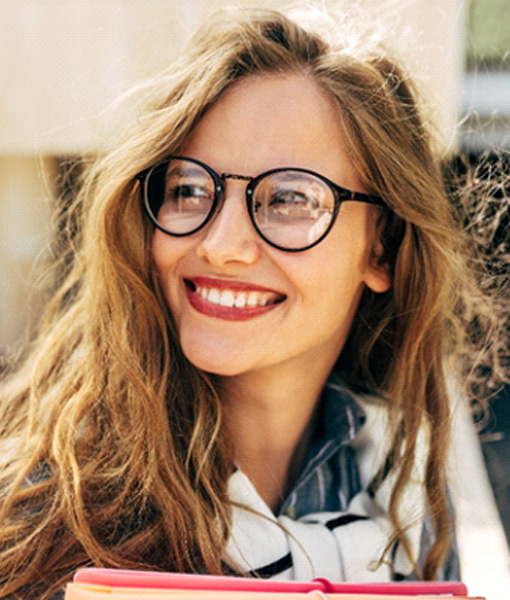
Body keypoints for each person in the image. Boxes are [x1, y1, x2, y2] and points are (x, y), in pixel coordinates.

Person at [0, 6, 504, 599]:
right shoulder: (42, 507)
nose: (220, 246)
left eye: (290, 198)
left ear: (383, 249)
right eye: (189, 189)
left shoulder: (405, 498)